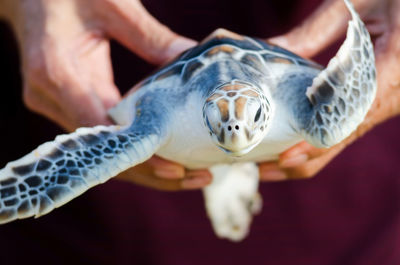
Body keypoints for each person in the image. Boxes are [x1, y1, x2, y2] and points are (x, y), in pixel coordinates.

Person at [0, 0, 399, 264]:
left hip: (363, 228)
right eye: (222, 121)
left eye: (250, 119)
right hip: (85, 242)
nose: (236, 132)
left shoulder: (292, 99)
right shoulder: (166, 113)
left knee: (332, 123)